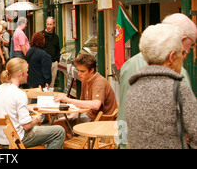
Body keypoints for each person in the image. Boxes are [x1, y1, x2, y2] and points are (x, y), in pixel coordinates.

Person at [118, 13, 196, 147]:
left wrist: (122, 144)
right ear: (172, 56)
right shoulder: (178, 87)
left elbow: (124, 120)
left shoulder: (134, 83)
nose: (184, 57)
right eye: (181, 53)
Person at [0, 58, 65, 149]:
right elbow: (26, 126)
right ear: (20, 73)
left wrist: (26, 108)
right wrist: (36, 119)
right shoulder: (19, 94)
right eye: (26, 72)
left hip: (1, 139)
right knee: (59, 131)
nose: (27, 74)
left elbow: (8, 107)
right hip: (16, 140)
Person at [53, 53, 118, 138]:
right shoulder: (85, 80)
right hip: (90, 117)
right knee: (58, 125)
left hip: (100, 122)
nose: (79, 74)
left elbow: (96, 105)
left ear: (91, 70)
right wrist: (70, 116)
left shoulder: (99, 82)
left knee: (58, 129)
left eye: (82, 71)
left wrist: (68, 100)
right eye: (78, 70)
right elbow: (82, 105)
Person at [42, 17, 60, 88]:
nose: (49, 26)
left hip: (53, 62)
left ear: (54, 25)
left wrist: (57, 61)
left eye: (50, 24)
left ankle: (50, 98)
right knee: (44, 84)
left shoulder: (56, 37)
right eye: (47, 24)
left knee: (52, 84)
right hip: (44, 63)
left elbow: (58, 49)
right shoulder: (41, 35)